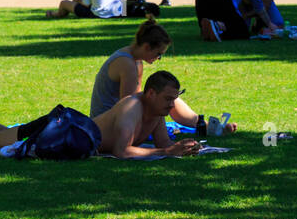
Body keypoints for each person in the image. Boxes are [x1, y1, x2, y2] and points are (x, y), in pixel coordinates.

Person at [0, 71, 203, 160]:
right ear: (151, 93)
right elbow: (122, 151)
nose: (172, 105)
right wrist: (167, 151)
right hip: (61, 130)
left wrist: (176, 149)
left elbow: (163, 143)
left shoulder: (155, 112)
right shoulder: (133, 107)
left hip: (66, 130)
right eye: (168, 99)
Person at [89, 20, 235, 136]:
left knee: (167, 96)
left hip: (111, 120)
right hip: (107, 127)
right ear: (147, 47)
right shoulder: (127, 64)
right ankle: (208, 127)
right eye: (158, 53)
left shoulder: (134, 59)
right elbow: (128, 105)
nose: (158, 58)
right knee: (165, 97)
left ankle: (207, 125)